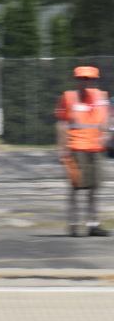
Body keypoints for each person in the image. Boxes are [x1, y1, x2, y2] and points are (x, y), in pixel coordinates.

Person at [56, 66, 111, 237]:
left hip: (96, 148)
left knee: (94, 188)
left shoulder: (102, 97)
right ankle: (73, 224)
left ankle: (93, 224)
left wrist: (107, 132)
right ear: (76, 80)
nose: (86, 82)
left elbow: (108, 117)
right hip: (77, 148)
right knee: (76, 187)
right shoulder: (69, 97)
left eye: (89, 79)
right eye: (82, 78)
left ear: (95, 80)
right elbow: (61, 124)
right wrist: (62, 149)